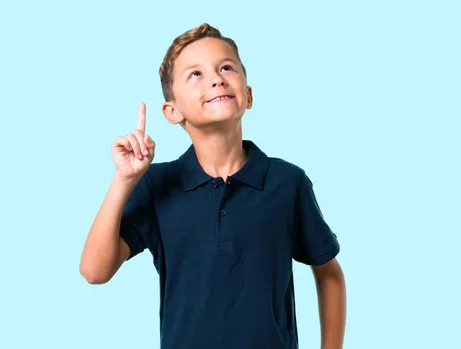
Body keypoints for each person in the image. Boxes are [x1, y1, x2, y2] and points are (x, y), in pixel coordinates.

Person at [79, 23, 346, 349]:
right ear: (172, 111)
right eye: (195, 74)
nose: (217, 78)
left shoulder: (287, 183)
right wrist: (124, 180)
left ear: (247, 95)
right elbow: (94, 271)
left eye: (226, 67)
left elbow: (329, 274)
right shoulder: (157, 185)